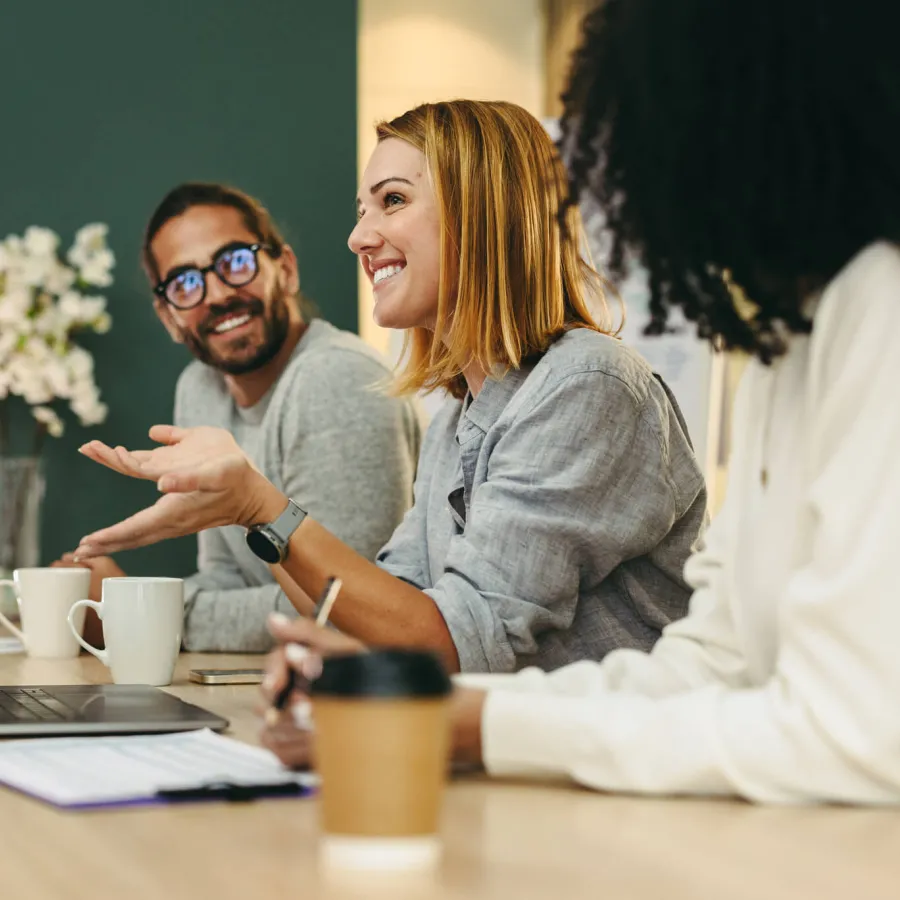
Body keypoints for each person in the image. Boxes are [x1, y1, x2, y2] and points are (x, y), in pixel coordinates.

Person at [259, 0, 900, 803]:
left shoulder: (877, 306)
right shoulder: (785, 347)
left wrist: (471, 724)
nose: (627, 184)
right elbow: (710, 665)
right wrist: (425, 707)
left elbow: (857, 736)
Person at [72, 100, 707, 675]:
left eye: (393, 201)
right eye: (362, 211)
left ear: (480, 210)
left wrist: (257, 505)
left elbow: (454, 641)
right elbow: (380, 613)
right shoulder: (459, 417)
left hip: (612, 783)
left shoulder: (587, 384)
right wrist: (246, 516)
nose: (358, 237)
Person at [62, 183, 421, 652]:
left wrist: (136, 612)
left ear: (286, 270)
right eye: (185, 283)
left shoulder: (337, 379)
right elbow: (226, 576)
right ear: (169, 317)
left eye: (234, 261)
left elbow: (345, 614)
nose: (215, 294)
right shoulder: (200, 387)